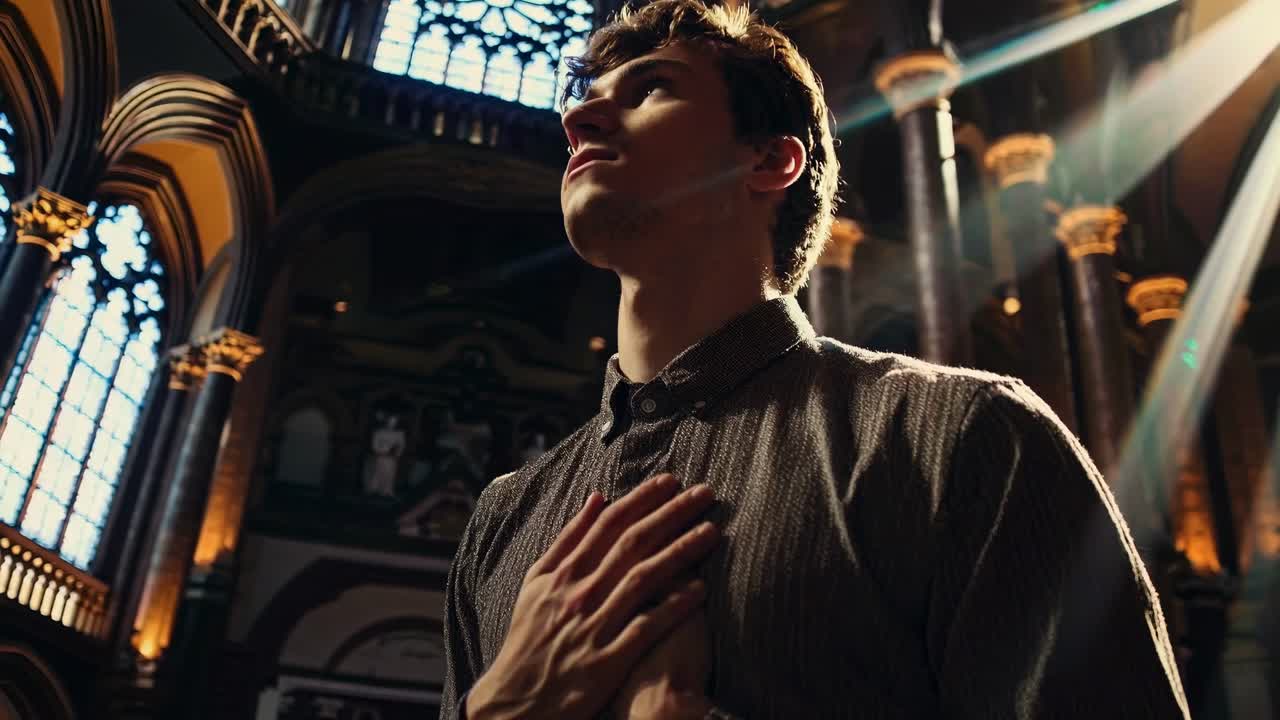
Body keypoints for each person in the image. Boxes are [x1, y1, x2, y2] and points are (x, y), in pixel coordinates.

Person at [439, 1, 1191, 718]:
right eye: (586, 97)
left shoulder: (960, 440)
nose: (578, 117)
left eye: (652, 87)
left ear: (771, 160)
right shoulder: (505, 519)